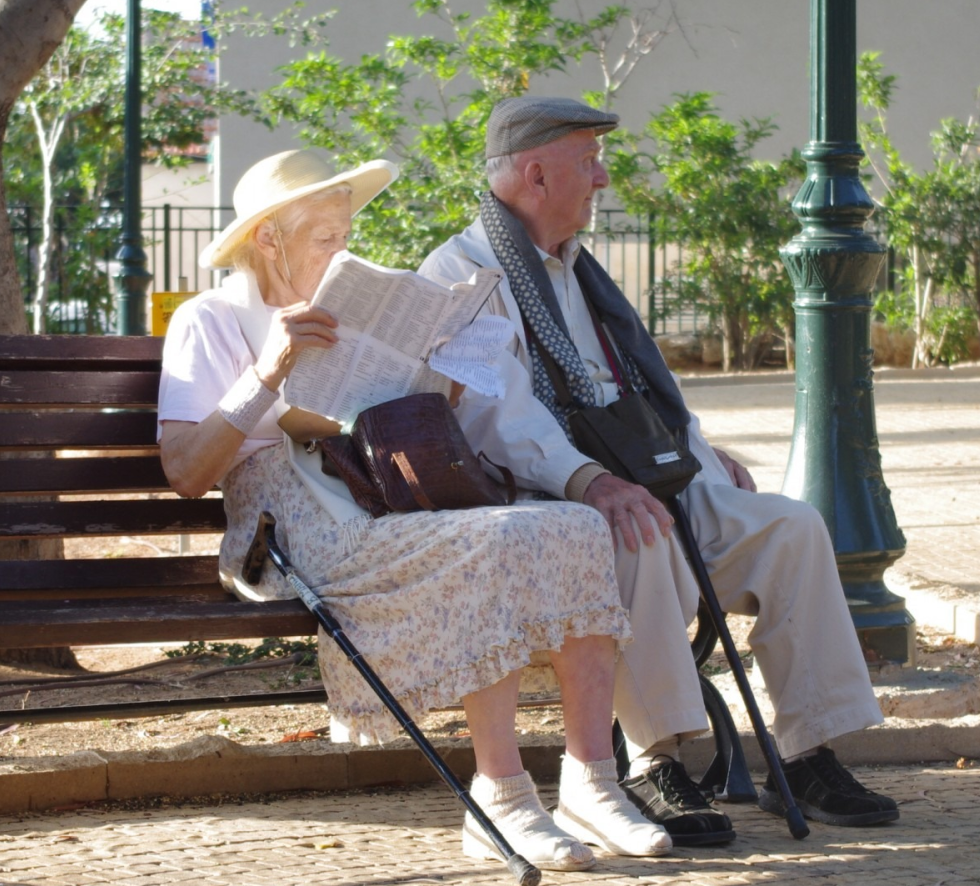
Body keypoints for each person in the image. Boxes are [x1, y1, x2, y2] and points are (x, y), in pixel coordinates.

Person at [157, 149, 676, 871]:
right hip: (288, 526)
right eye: (325, 237)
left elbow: (390, 414)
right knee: (488, 543)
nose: (343, 249)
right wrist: (267, 370)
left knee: (574, 524)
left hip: (377, 494)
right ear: (268, 238)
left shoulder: (345, 306)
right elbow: (185, 471)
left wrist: (439, 377)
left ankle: (591, 781)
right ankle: (501, 795)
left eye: (345, 232)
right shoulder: (209, 318)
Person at [418, 96, 899, 846]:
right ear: (535, 174)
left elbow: (635, 389)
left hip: (642, 477)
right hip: (556, 499)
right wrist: (591, 482)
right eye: (590, 161)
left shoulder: (578, 269)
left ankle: (807, 752)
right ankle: (655, 759)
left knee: (791, 527)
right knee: (636, 533)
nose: (604, 179)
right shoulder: (461, 271)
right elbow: (496, 416)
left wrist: (702, 458)